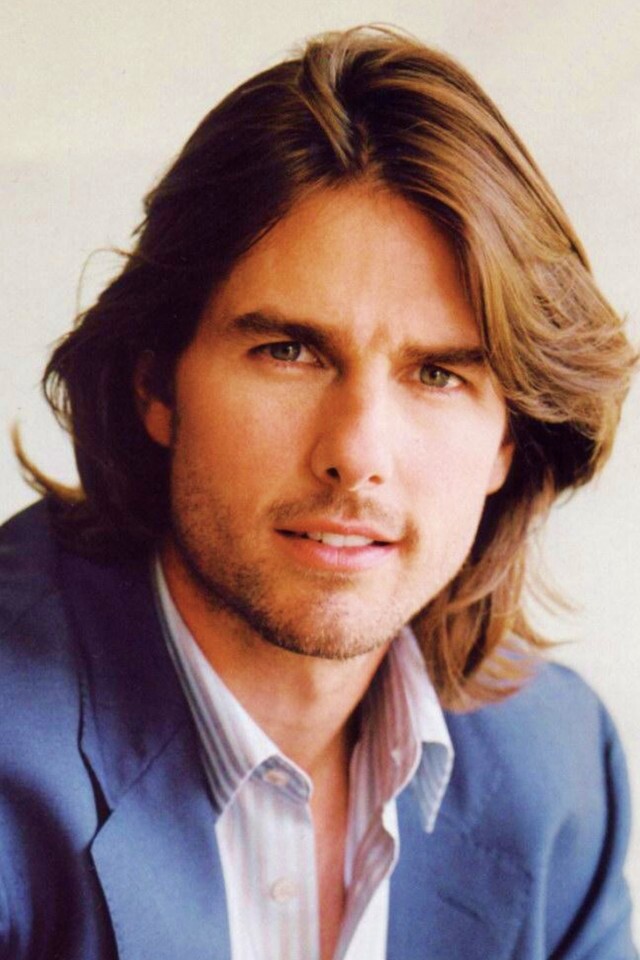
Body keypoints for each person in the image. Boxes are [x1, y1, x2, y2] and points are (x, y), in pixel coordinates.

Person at [0, 24, 636, 960]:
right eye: (289, 352)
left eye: (437, 374)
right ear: (156, 386)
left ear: (509, 438)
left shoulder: (559, 771)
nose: (356, 455)